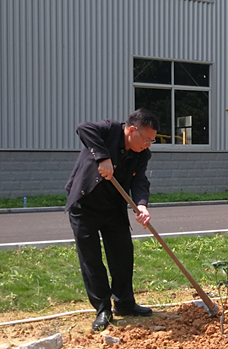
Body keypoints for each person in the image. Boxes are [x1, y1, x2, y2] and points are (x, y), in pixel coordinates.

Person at [65, 109, 159, 331]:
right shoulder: (109, 130)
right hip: (84, 204)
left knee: (122, 255)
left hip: (114, 208)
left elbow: (139, 181)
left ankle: (125, 304)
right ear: (132, 130)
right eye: (146, 139)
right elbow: (83, 127)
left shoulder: (141, 154)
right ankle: (103, 309)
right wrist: (103, 157)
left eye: (152, 141)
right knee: (92, 260)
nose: (148, 145)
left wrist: (142, 205)